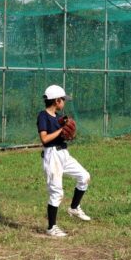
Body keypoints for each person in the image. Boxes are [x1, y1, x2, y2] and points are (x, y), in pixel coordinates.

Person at [38, 84, 91, 238]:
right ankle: (51, 227)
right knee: (57, 192)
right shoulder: (43, 116)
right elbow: (44, 138)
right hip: (52, 155)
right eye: (63, 100)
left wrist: (68, 134)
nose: (64, 102)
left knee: (84, 176)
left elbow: (63, 134)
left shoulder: (58, 118)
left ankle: (74, 207)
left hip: (63, 153)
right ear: (56, 101)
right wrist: (61, 130)